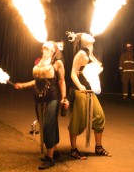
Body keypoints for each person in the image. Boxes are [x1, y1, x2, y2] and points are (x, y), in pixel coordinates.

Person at [15, 40, 69, 170]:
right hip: (38, 98)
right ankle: (54, 151)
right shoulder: (39, 62)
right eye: (45, 43)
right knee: (48, 125)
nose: (47, 43)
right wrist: (23, 85)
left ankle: (50, 159)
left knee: (47, 125)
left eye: (50, 43)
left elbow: (62, 81)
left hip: (52, 97)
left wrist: (64, 97)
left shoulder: (57, 63)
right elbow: (36, 80)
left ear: (53, 50)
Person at [66, 31, 111, 160]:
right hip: (80, 91)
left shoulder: (90, 53)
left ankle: (98, 148)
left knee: (99, 116)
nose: (90, 34)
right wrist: (80, 86)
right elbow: (73, 73)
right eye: (86, 34)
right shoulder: (81, 54)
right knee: (78, 119)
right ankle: (73, 150)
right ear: (81, 40)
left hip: (90, 92)